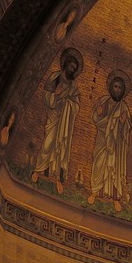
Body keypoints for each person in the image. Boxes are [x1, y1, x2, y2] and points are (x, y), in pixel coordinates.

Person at [32, 49, 82, 191]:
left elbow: (76, 104)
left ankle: (57, 178)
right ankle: (38, 170)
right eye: (70, 66)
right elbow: (46, 96)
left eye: (74, 68)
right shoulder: (55, 77)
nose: (71, 70)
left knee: (61, 149)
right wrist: (55, 95)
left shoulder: (74, 85)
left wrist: (68, 103)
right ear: (65, 64)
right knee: (48, 144)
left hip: (64, 122)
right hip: (53, 117)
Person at [89, 72, 132, 207]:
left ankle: (115, 199)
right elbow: (95, 120)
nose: (117, 90)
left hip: (116, 144)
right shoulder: (103, 101)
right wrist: (99, 114)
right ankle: (95, 192)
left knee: (115, 169)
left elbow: (127, 128)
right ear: (110, 87)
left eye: (120, 88)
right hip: (102, 141)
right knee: (99, 164)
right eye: (115, 86)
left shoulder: (123, 107)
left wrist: (123, 123)